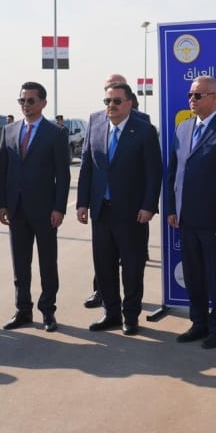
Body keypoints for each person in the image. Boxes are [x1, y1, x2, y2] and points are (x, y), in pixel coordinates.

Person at [166, 76, 216, 348]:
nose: (192, 99)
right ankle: (198, 323)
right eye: (190, 95)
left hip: (214, 222)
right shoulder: (183, 128)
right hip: (186, 219)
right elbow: (174, 172)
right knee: (193, 275)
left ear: (214, 97)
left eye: (198, 95)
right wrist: (171, 208)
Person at [77, 82, 161, 335]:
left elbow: (153, 173)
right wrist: (82, 203)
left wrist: (148, 206)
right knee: (104, 266)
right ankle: (111, 313)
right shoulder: (96, 128)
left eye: (116, 101)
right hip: (101, 211)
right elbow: (87, 168)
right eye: (107, 101)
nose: (110, 106)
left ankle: (130, 316)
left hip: (132, 213)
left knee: (132, 267)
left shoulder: (144, 131)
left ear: (129, 103)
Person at [0, 82, 70, 333]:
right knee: (20, 264)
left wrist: (59, 208)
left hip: (45, 210)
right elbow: (2, 171)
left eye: (30, 100)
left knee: (47, 263)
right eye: (22, 100)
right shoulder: (9, 131)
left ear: (43, 103)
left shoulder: (55, 133)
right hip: (16, 209)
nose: (25, 105)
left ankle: (48, 310)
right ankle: (23, 310)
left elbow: (63, 175)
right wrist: (2, 204)